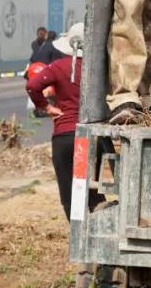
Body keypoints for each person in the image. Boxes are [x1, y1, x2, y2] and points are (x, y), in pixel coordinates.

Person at [25, 23, 102, 220]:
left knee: (69, 191)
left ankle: (77, 236)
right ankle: (94, 231)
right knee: (90, 189)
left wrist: (46, 107)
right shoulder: (100, 68)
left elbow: (33, 85)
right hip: (92, 137)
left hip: (65, 136)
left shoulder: (59, 66)